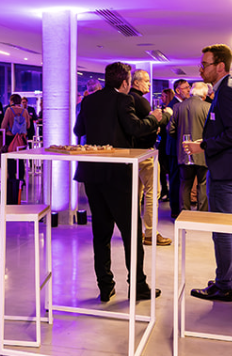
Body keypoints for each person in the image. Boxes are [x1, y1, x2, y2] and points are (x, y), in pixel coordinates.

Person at [73, 62, 170, 302]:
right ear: (126, 82)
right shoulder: (123, 100)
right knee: (131, 232)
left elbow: (78, 129)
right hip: (118, 174)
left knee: (101, 233)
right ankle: (138, 286)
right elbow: (135, 128)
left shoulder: (88, 101)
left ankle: (105, 286)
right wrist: (155, 119)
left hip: (92, 174)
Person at [185, 45, 232, 302]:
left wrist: (204, 146)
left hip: (228, 171)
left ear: (220, 66)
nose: (200, 69)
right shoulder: (231, 87)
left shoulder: (227, 90)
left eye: (204, 64)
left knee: (222, 228)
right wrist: (207, 141)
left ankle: (224, 284)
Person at [129, 69, 169, 246]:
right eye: (146, 80)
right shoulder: (141, 101)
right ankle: (151, 233)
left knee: (136, 195)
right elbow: (152, 123)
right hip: (145, 153)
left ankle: (135, 231)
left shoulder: (127, 100)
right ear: (136, 82)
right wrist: (166, 115)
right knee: (152, 193)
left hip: (132, 154)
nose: (149, 83)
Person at [167, 80, 208, 219]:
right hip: (202, 151)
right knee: (203, 184)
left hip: (184, 151)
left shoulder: (178, 107)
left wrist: (180, 137)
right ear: (204, 95)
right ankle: (202, 216)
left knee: (185, 184)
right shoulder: (208, 107)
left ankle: (184, 215)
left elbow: (170, 129)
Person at [0, 92, 31, 205]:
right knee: (20, 159)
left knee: (11, 159)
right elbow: (28, 125)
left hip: (11, 138)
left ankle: (12, 179)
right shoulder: (24, 111)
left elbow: (3, 125)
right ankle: (21, 179)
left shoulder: (9, 110)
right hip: (21, 139)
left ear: (11, 101)